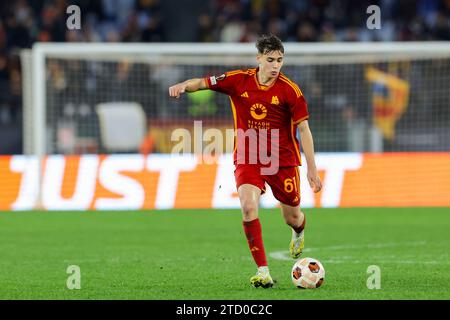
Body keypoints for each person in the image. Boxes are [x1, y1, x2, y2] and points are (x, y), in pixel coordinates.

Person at [168, 34, 322, 288]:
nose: (275, 65)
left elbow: (304, 130)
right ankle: (263, 271)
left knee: (292, 216)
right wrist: (184, 85)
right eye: (270, 59)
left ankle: (298, 231)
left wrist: (311, 170)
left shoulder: (290, 90)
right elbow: (203, 83)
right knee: (249, 206)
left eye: (280, 60)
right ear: (259, 58)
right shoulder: (238, 80)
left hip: (281, 160)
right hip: (248, 157)